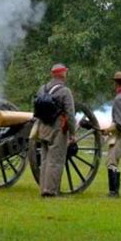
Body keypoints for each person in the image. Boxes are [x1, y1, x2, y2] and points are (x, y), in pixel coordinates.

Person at [34, 63, 76, 197]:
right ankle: (50, 191)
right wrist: (73, 133)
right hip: (58, 129)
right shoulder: (65, 91)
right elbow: (70, 114)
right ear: (62, 74)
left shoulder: (42, 89)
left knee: (45, 160)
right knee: (56, 161)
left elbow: (36, 109)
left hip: (43, 128)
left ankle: (43, 189)